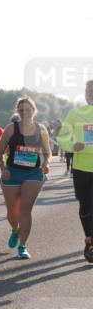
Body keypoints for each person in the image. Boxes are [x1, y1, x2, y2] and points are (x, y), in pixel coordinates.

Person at [0, 97, 51, 259]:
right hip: (12, 173)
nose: (24, 112)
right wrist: (3, 169)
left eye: (28, 109)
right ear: (17, 111)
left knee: (25, 211)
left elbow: (47, 152)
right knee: (12, 215)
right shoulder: (11, 129)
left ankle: (23, 245)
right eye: (21, 110)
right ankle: (15, 230)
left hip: (33, 174)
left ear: (34, 111)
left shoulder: (41, 129)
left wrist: (46, 163)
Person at [54, 79, 93, 262]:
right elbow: (61, 138)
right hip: (81, 168)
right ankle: (89, 239)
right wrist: (72, 145)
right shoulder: (75, 114)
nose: (90, 94)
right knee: (85, 206)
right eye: (88, 91)